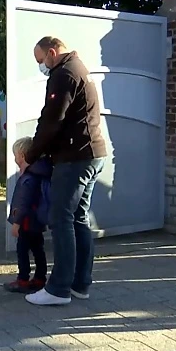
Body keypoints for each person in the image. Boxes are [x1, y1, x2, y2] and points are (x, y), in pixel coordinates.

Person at [23, 36, 107, 307]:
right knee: (78, 218)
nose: (42, 67)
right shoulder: (79, 68)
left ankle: (58, 288)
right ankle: (80, 283)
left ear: (52, 52)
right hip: (92, 153)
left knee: (61, 218)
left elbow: (51, 120)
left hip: (75, 157)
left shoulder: (64, 73)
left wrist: (31, 155)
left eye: (40, 61)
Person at [3, 136, 50, 294]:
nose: (15, 158)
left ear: (22, 155)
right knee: (38, 249)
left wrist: (16, 224)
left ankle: (23, 279)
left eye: (15, 155)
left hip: (26, 222)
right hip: (36, 221)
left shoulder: (28, 178)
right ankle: (40, 278)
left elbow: (23, 203)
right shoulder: (37, 174)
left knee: (22, 251)